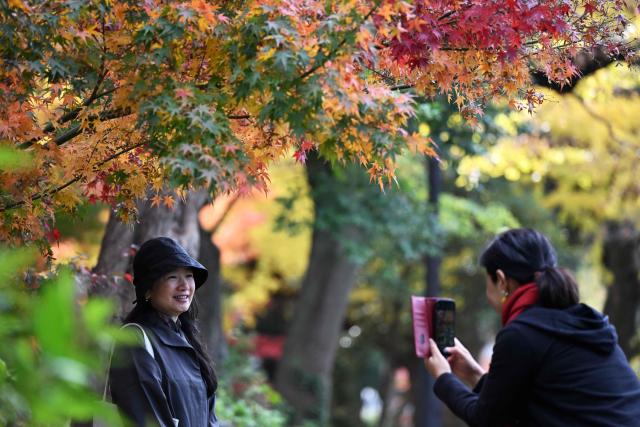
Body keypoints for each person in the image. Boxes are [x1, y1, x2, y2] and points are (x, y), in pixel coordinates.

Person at [424, 228, 640, 426]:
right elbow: (519, 407)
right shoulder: (582, 322)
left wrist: (444, 378)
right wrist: (474, 374)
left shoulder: (521, 334)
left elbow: (487, 420)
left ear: (501, 280)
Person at [109, 237, 219, 427]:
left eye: (189, 275)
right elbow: (147, 420)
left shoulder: (189, 341)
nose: (184, 285)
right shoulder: (135, 341)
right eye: (172, 277)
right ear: (148, 289)